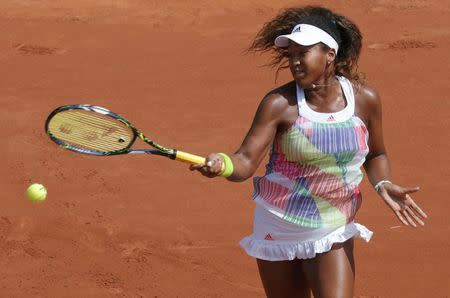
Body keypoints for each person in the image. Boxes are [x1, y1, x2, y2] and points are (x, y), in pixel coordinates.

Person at [190, 6, 427, 298]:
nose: (295, 61)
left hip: (332, 227)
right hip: (278, 226)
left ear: (330, 54)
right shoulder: (279, 104)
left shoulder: (364, 100)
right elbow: (245, 161)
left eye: (303, 53)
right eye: (291, 54)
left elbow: (376, 154)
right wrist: (222, 164)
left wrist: (382, 183)